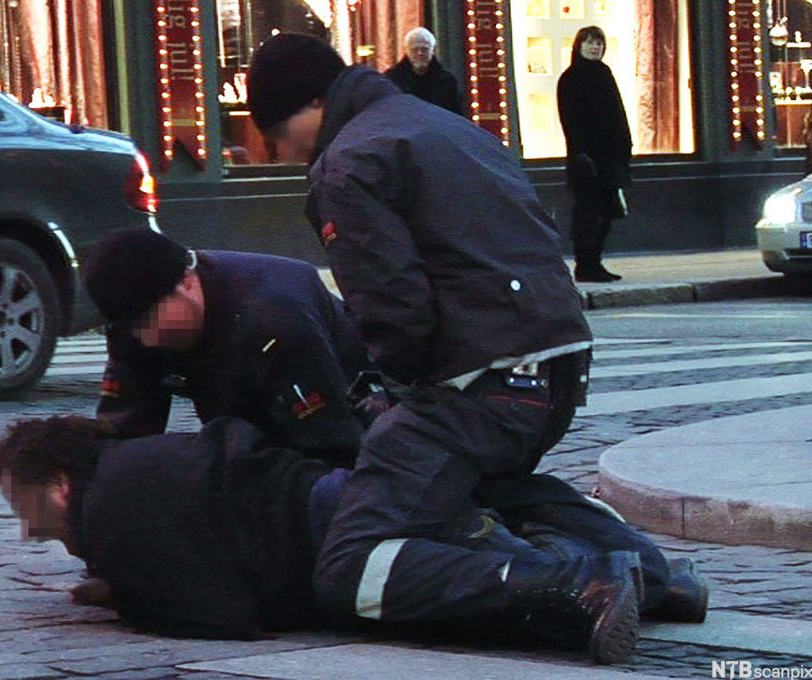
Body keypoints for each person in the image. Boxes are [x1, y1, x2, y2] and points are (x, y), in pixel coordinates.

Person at [246, 34, 644, 663]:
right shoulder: (448, 127)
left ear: (314, 103)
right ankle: (659, 576)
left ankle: (579, 587)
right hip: (558, 365)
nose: (281, 150)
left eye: (277, 131)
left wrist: (392, 390)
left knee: (351, 565)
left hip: (481, 380)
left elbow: (393, 304)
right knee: (473, 489)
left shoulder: (348, 162)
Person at [0, 415, 708, 643]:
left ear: (58, 484)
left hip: (337, 535)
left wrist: (128, 600)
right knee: (479, 557)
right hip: (348, 497)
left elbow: (223, 617)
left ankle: (597, 580)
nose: (31, 533)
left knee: (464, 590)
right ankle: (654, 583)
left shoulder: (110, 518)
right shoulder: (139, 464)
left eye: (27, 510)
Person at [81, 227, 369, 467]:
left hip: (339, 409)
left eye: (150, 321)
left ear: (186, 281)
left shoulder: (276, 318)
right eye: (134, 328)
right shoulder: (133, 325)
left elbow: (334, 446)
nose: (148, 339)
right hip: (235, 407)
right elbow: (122, 433)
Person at [557, 25, 633, 283]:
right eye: (589, 43)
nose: (594, 48)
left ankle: (596, 262)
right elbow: (571, 121)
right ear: (579, 46)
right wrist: (581, 154)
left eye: (599, 43)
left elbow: (617, 113)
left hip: (610, 158)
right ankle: (585, 265)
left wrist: (625, 147)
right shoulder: (571, 78)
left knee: (607, 215)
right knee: (588, 215)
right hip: (586, 160)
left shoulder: (604, 73)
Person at [384, 27, 463, 115]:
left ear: (432, 50)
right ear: (407, 51)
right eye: (414, 49)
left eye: (424, 49)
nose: (420, 53)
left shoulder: (446, 80)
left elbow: (455, 114)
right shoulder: (392, 79)